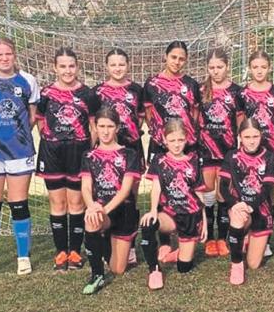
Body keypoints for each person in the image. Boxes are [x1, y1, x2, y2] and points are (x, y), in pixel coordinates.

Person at [0, 37, 39, 279]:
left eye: (8, 53)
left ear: (14, 54)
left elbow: (32, 116)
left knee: (18, 204)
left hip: (19, 152)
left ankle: (23, 257)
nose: (4, 58)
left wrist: (16, 136)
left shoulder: (28, 80)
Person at [36, 47, 98, 271]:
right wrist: (52, 140)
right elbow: (40, 121)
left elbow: (93, 127)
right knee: (57, 203)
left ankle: (75, 251)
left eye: (71, 66)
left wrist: (87, 151)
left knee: (76, 203)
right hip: (52, 154)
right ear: (55, 68)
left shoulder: (87, 94)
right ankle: (61, 252)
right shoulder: (46, 93)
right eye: (62, 66)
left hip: (78, 154)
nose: (67, 70)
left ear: (77, 67)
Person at [143, 41, 201, 263]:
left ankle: (187, 234)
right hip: (161, 143)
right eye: (173, 57)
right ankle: (165, 242)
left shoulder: (191, 84)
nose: (177, 62)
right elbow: (148, 113)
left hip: (183, 143)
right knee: (161, 190)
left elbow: (194, 115)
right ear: (165, 57)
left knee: (185, 187)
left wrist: (185, 137)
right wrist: (159, 133)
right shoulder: (152, 83)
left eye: (181, 58)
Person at [91, 48, 145, 269]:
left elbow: (140, 120)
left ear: (128, 65)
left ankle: (129, 245)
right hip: (104, 151)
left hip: (131, 149)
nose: (117, 68)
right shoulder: (98, 91)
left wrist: (128, 137)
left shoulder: (136, 90)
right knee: (103, 193)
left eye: (121, 64)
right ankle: (105, 241)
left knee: (131, 197)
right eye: (113, 64)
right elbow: (94, 124)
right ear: (106, 66)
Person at [139, 120, 208, 290]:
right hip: (170, 214)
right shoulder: (159, 160)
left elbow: (199, 193)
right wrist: (153, 210)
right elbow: (156, 187)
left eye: (180, 140)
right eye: (172, 140)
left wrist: (204, 221)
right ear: (164, 140)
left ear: (186, 139)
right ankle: (154, 270)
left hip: (191, 216)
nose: (176, 144)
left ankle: (179, 253)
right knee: (149, 223)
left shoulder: (193, 161)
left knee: (184, 268)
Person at [81, 107, 142, 294]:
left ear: (117, 127)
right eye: (101, 126)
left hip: (123, 211)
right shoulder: (89, 156)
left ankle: (106, 242)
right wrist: (92, 206)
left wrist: (104, 210)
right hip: (102, 211)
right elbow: (86, 187)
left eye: (110, 126)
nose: (105, 131)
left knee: (118, 269)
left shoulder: (129, 154)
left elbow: (125, 191)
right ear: (95, 127)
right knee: (91, 219)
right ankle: (97, 275)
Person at [236, 50, 274, 258]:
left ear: (269, 68)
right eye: (255, 67)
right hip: (249, 151)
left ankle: (265, 237)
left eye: (263, 67)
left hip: (271, 150)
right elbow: (241, 121)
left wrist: (272, 140)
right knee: (248, 187)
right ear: (249, 68)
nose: (259, 71)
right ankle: (247, 231)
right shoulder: (243, 94)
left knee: (268, 193)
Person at [219, 118, 274, 285]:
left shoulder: (270, 157)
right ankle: (236, 263)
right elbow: (223, 187)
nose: (251, 141)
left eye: (255, 136)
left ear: (261, 136)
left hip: (261, 210)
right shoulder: (232, 156)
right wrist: (235, 204)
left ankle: (245, 237)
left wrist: (250, 205)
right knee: (238, 217)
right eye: (247, 137)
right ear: (240, 137)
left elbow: (267, 188)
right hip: (239, 208)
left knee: (253, 264)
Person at [198, 48, 241, 258]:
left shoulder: (236, 91)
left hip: (227, 150)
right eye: (212, 67)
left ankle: (223, 238)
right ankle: (209, 239)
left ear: (227, 67)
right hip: (206, 150)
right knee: (207, 192)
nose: (216, 71)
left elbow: (240, 122)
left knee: (224, 193)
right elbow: (194, 118)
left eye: (220, 67)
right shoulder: (201, 90)